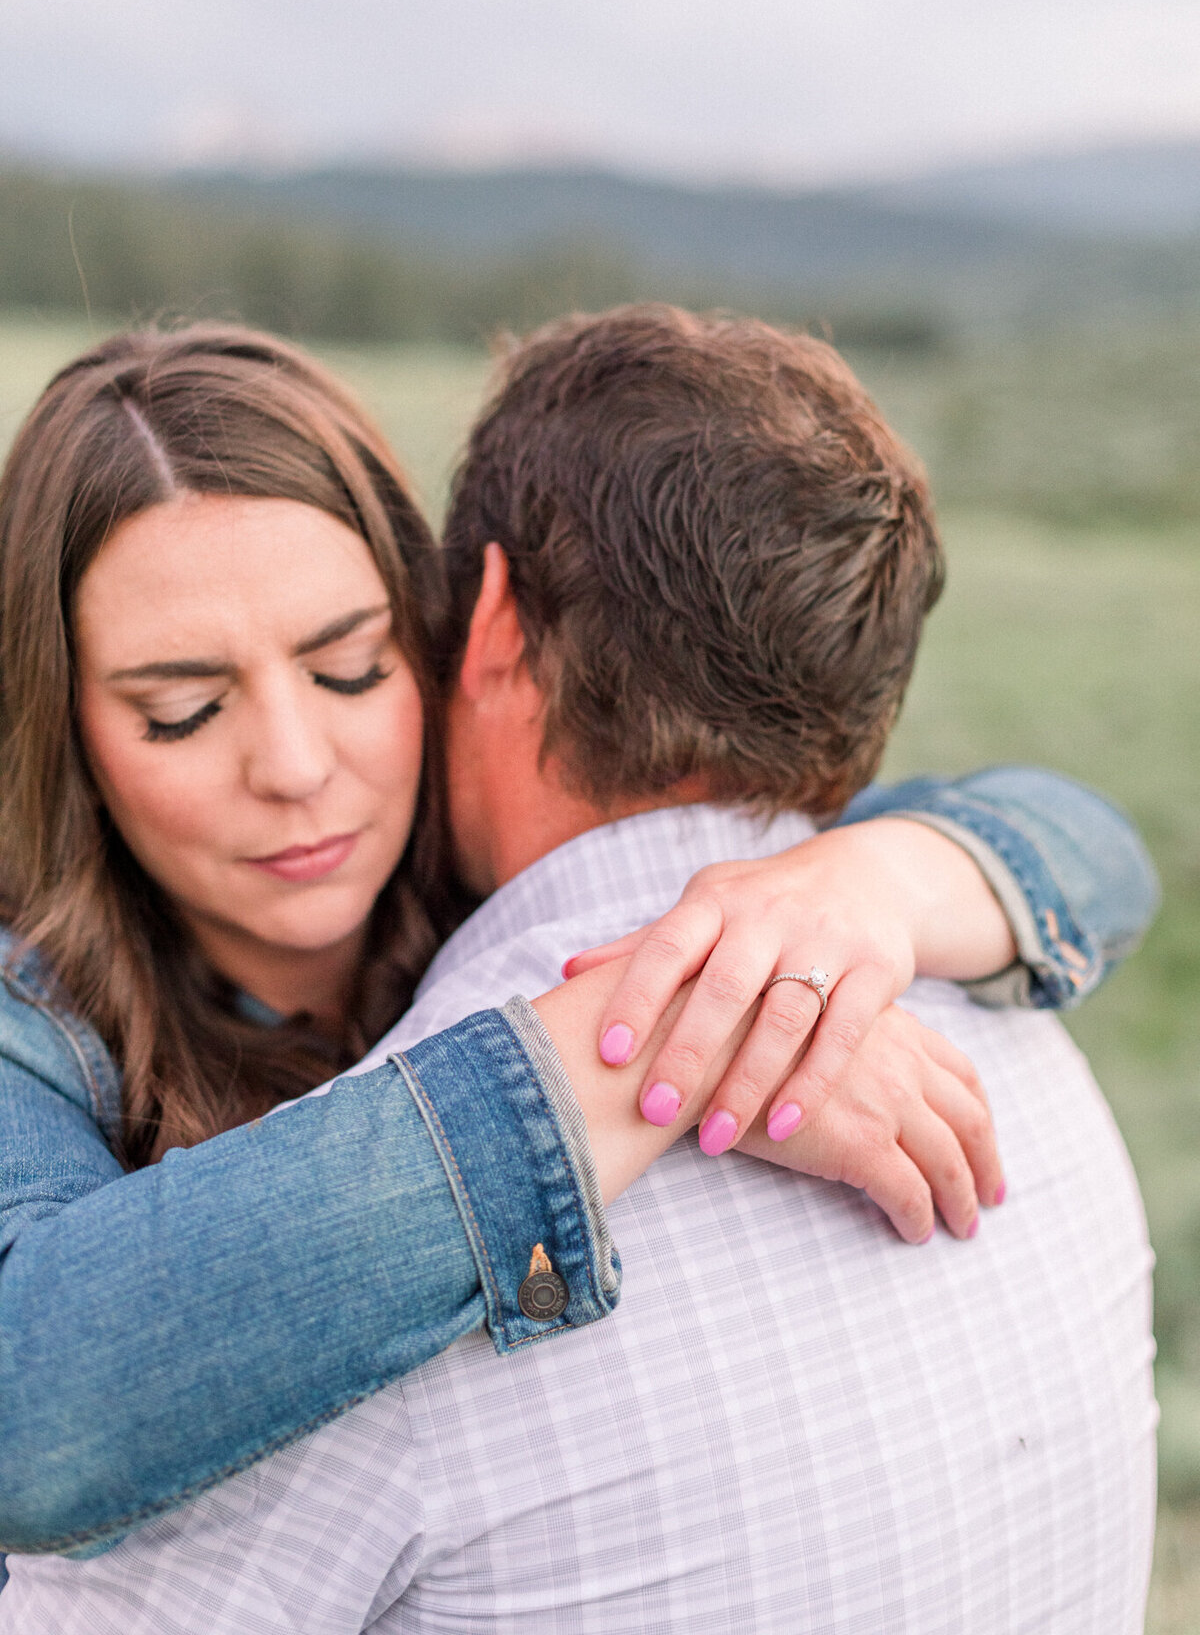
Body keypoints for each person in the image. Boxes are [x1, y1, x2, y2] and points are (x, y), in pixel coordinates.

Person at [5, 308, 1157, 1633]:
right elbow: (34, 1399)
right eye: (183, 710)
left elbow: (1088, 848)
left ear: (447, 629)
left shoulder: (525, 877)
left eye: (349, 667)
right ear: (60, 720)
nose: (295, 765)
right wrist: (641, 1026)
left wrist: (876, 889)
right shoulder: (35, 1026)